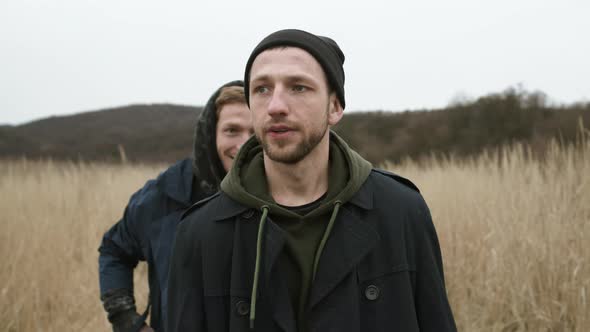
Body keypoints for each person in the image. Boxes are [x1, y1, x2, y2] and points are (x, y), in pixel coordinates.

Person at [167, 29, 456, 332]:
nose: (276, 105)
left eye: (299, 87)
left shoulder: (400, 211)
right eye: (262, 89)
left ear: (335, 107)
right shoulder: (201, 233)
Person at [98, 81, 253, 332]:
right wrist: (125, 320)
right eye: (232, 130)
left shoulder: (282, 197)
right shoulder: (164, 195)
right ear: (210, 134)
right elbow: (114, 250)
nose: (244, 144)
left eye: (255, 133)